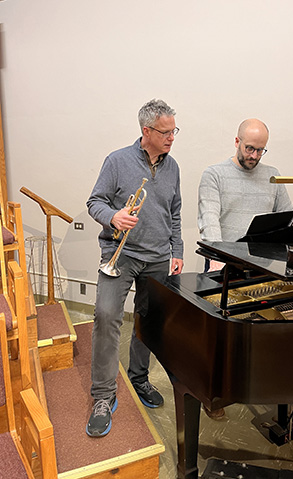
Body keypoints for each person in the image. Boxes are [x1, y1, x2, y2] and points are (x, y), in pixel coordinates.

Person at [86, 99, 184, 437]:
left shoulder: (173, 167)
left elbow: (175, 211)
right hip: (120, 254)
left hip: (158, 257)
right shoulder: (117, 161)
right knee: (106, 316)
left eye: (174, 130)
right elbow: (94, 201)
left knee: (148, 320)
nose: (172, 136)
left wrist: (177, 249)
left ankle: (139, 378)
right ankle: (102, 395)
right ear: (147, 131)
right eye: (166, 131)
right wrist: (112, 216)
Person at [198, 118, 293, 272]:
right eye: (249, 148)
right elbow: (209, 220)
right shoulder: (214, 174)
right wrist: (216, 256)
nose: (254, 156)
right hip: (224, 261)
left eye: (260, 150)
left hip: (264, 264)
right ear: (237, 142)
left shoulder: (272, 175)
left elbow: (288, 218)